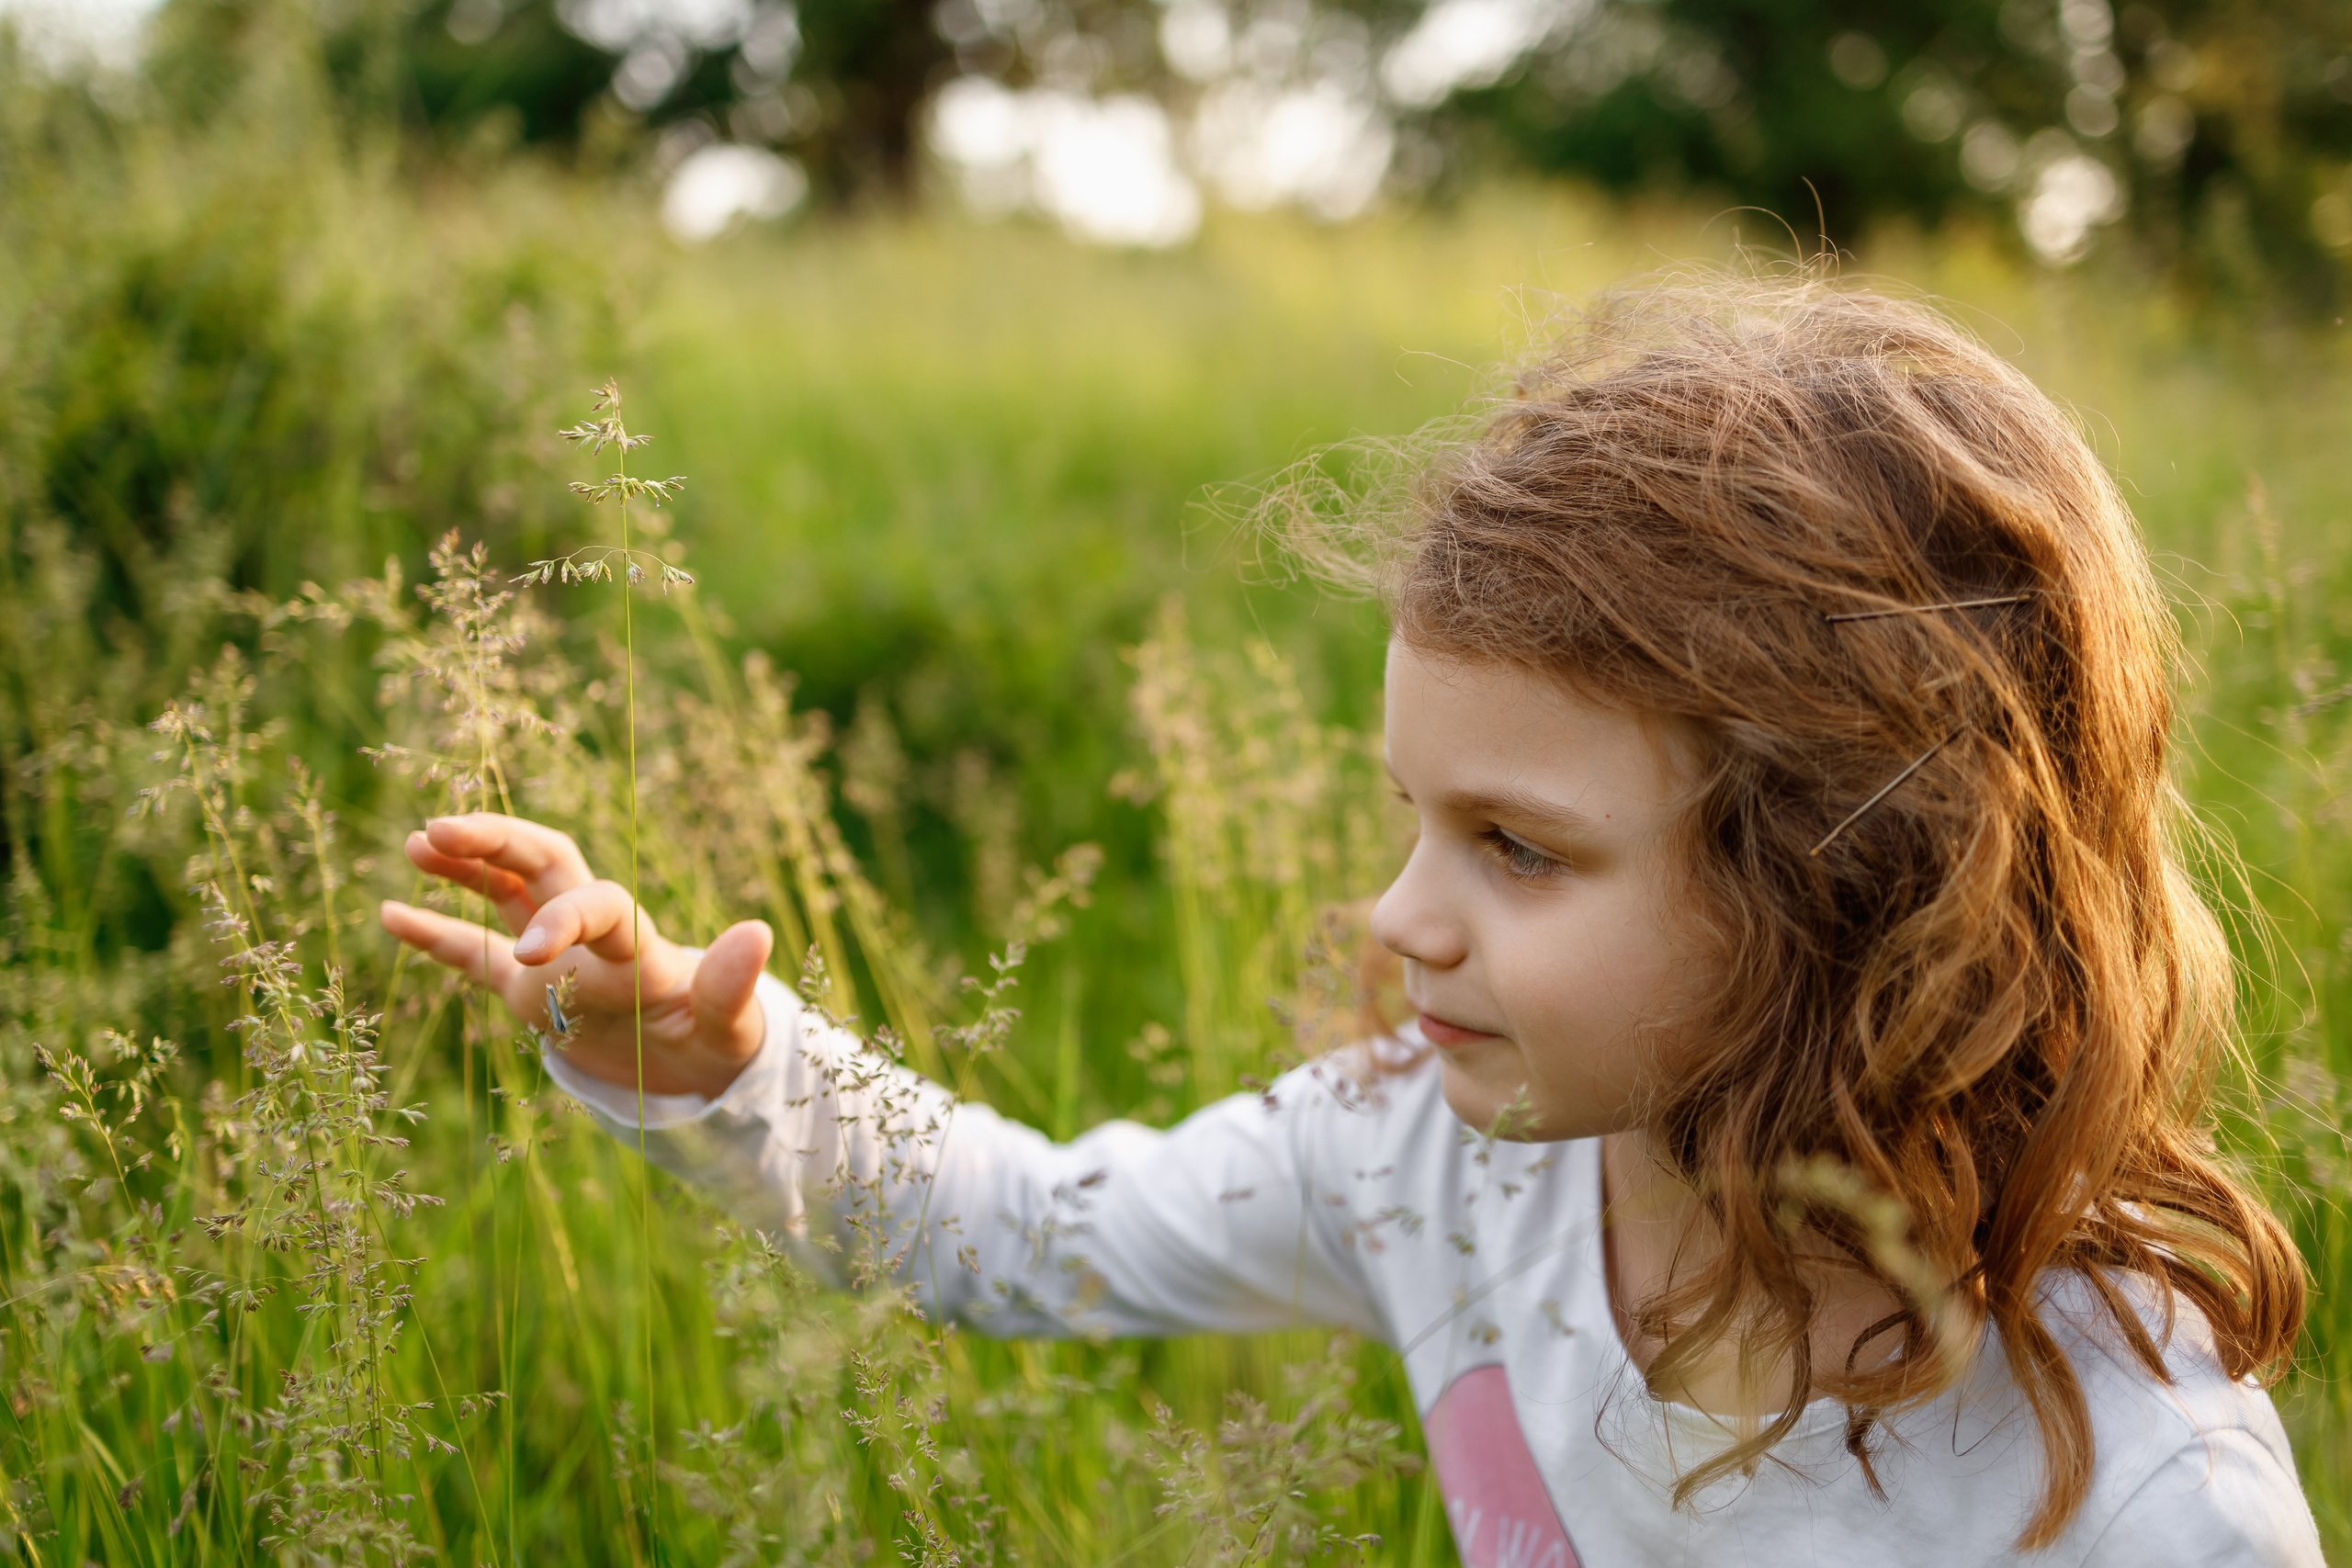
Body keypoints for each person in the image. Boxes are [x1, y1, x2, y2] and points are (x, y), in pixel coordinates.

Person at [380, 276, 2321, 1567]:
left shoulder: (2128, 1481)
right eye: (1414, 814)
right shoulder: (1426, 1159)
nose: (1404, 916)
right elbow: (1023, 1229)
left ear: (1858, 883)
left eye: (1519, 847)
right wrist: (724, 1069)